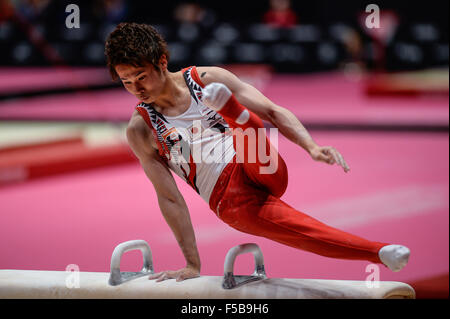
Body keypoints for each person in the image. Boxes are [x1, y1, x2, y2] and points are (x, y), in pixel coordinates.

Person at [104, 22, 410, 282]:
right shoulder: (141, 129)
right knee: (304, 231)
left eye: (141, 77)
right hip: (230, 199)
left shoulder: (206, 79)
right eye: (127, 82)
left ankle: (238, 115)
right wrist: (192, 264)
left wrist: (311, 147)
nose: (136, 89)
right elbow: (170, 197)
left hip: (259, 164)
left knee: (252, 130)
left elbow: (274, 112)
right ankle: (379, 251)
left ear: (162, 60)